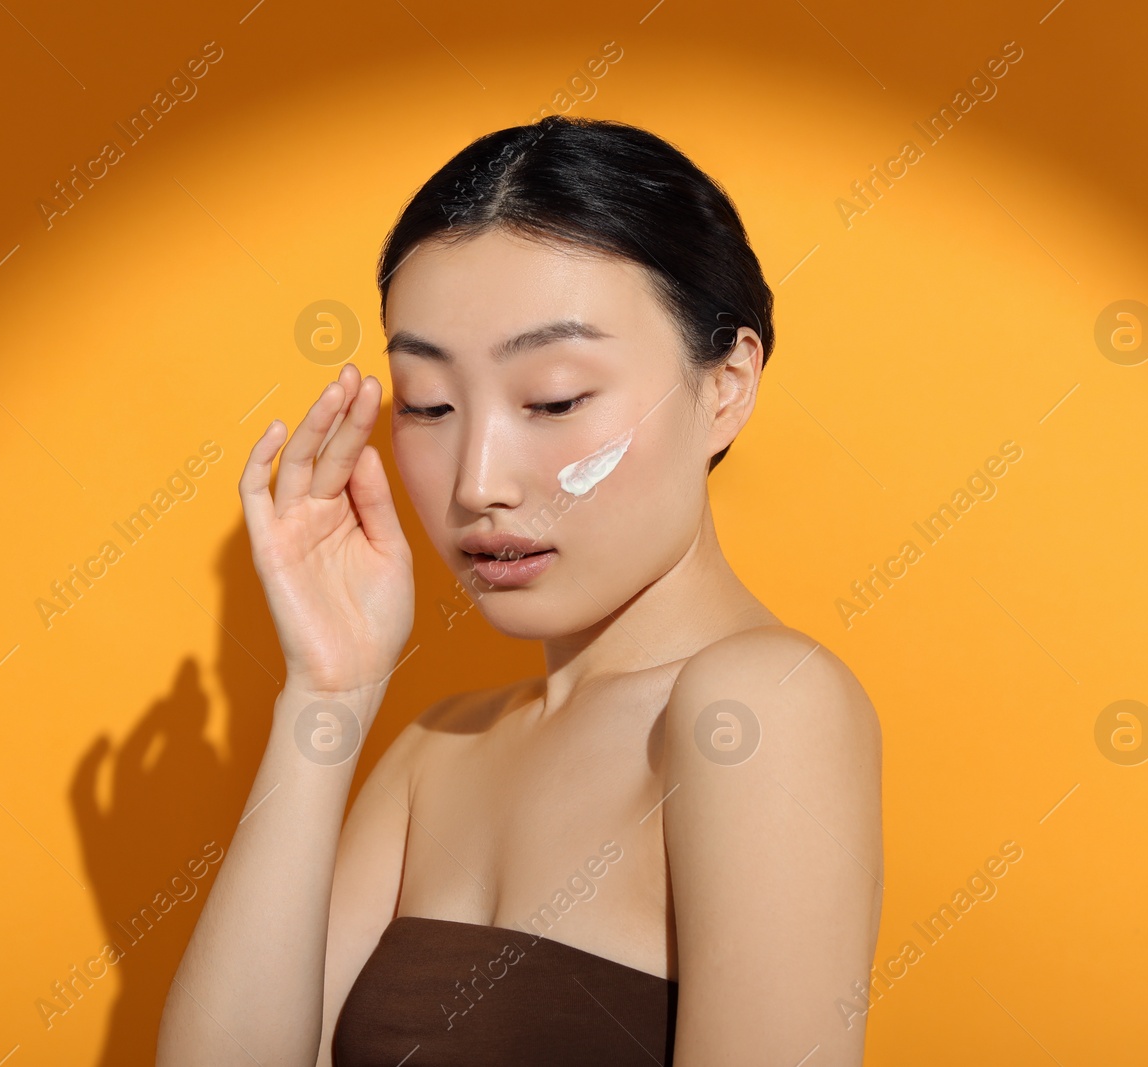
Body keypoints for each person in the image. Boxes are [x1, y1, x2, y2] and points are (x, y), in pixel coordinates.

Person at [156, 114, 883, 1066]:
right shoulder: (435, 753)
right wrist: (326, 694)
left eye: (553, 398)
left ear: (727, 385)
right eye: (429, 406)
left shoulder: (759, 706)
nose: (477, 482)